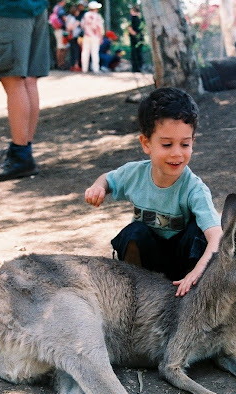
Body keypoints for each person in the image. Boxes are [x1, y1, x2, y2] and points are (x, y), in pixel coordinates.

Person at [84, 87, 222, 297]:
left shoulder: (194, 188)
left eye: (185, 144)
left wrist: (197, 272)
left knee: (198, 232)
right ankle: (134, 290)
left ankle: (194, 291)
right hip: (149, 261)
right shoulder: (135, 174)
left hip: (184, 266)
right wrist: (98, 188)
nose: (177, 153)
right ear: (146, 143)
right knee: (134, 232)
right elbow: (107, 179)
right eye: (167, 144)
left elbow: (217, 236)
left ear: (193, 141)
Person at [0, 0, 50, 182]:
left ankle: (21, 155)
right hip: (37, 7)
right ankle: (24, 153)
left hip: (10, 9)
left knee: (13, 80)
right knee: (29, 79)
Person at [80, 1, 104, 73]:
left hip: (86, 35)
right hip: (95, 36)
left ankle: (84, 69)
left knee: (85, 52)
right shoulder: (98, 16)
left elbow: (82, 25)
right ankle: (95, 69)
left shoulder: (85, 15)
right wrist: (101, 37)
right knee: (95, 52)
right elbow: (100, 27)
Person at [49, 0, 69, 70]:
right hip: (60, 29)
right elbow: (63, 18)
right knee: (61, 47)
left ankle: (60, 63)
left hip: (57, 29)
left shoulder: (55, 8)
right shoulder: (60, 8)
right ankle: (60, 64)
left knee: (61, 46)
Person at [65, 4, 82, 71]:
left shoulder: (68, 17)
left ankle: (72, 65)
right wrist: (76, 24)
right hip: (73, 36)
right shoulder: (72, 18)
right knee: (75, 51)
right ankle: (75, 65)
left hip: (70, 37)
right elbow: (70, 27)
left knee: (72, 51)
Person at [128, 5, 143, 72]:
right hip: (139, 37)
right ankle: (138, 67)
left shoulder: (131, 17)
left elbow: (129, 28)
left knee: (135, 52)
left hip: (135, 38)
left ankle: (136, 68)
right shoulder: (140, 18)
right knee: (138, 52)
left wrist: (135, 35)